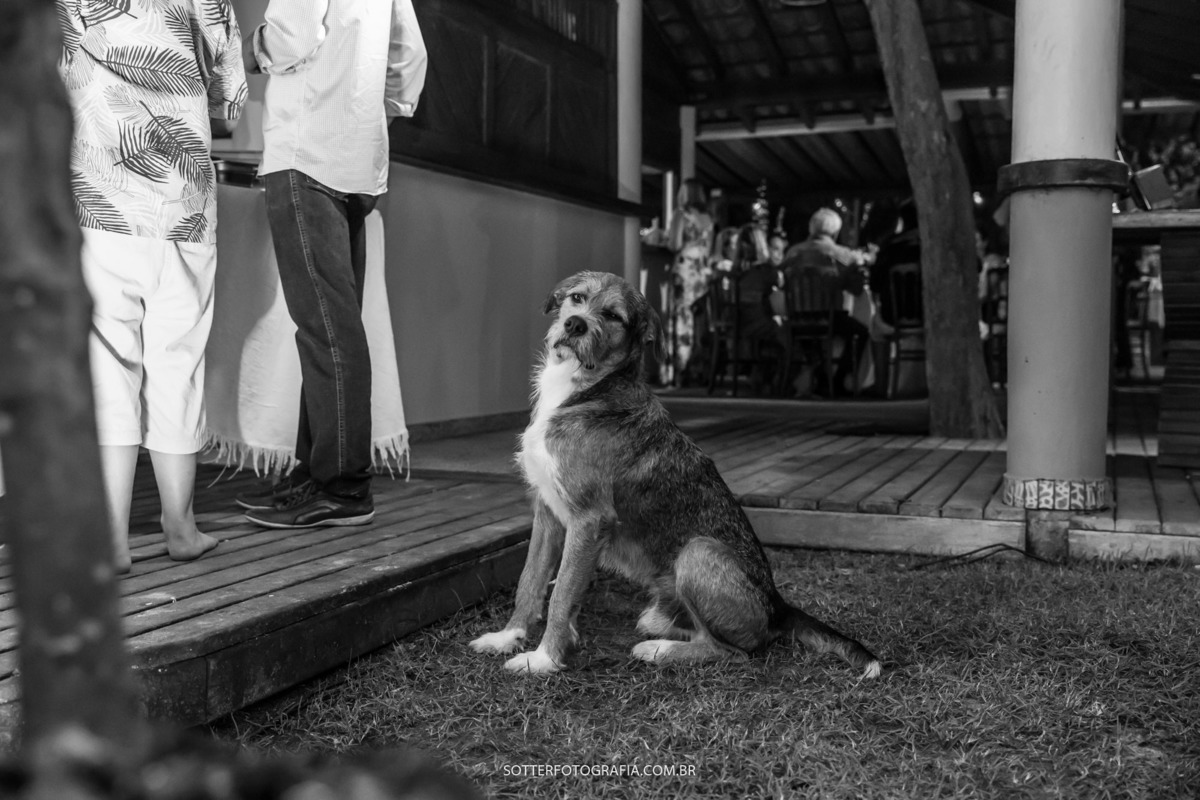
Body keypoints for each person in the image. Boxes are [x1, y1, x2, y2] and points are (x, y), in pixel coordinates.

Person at [57, 0, 247, 572]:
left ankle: (112, 537)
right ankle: (180, 527)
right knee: (177, 362)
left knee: (108, 364)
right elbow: (230, 99)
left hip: (99, 200)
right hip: (182, 205)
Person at [238, 0, 428, 529]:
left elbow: (291, 34)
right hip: (358, 158)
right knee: (334, 324)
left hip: (306, 153)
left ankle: (343, 486)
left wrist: (254, 49)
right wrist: (368, 111)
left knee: (325, 328)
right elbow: (410, 58)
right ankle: (317, 472)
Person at [784, 208, 873, 396]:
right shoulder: (841, 254)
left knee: (812, 338)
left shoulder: (792, 253)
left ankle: (818, 375)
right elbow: (856, 290)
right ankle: (838, 380)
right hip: (830, 318)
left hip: (796, 320)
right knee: (861, 333)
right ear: (835, 232)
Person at [664, 178, 716, 387]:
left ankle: (680, 370)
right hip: (701, 272)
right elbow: (709, 251)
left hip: (684, 270)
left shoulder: (681, 213)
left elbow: (674, 244)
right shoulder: (708, 218)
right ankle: (700, 370)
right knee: (700, 320)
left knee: (681, 319)